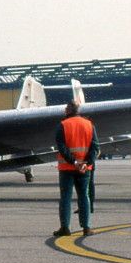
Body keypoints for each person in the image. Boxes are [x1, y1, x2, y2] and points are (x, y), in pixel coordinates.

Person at [54, 100, 99, 237]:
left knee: (65, 198)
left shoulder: (63, 125)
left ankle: (65, 228)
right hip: (85, 169)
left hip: (67, 168)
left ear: (68, 110)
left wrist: (73, 161)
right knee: (84, 196)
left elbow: (61, 147)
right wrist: (86, 162)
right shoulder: (89, 125)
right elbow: (95, 147)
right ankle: (86, 227)